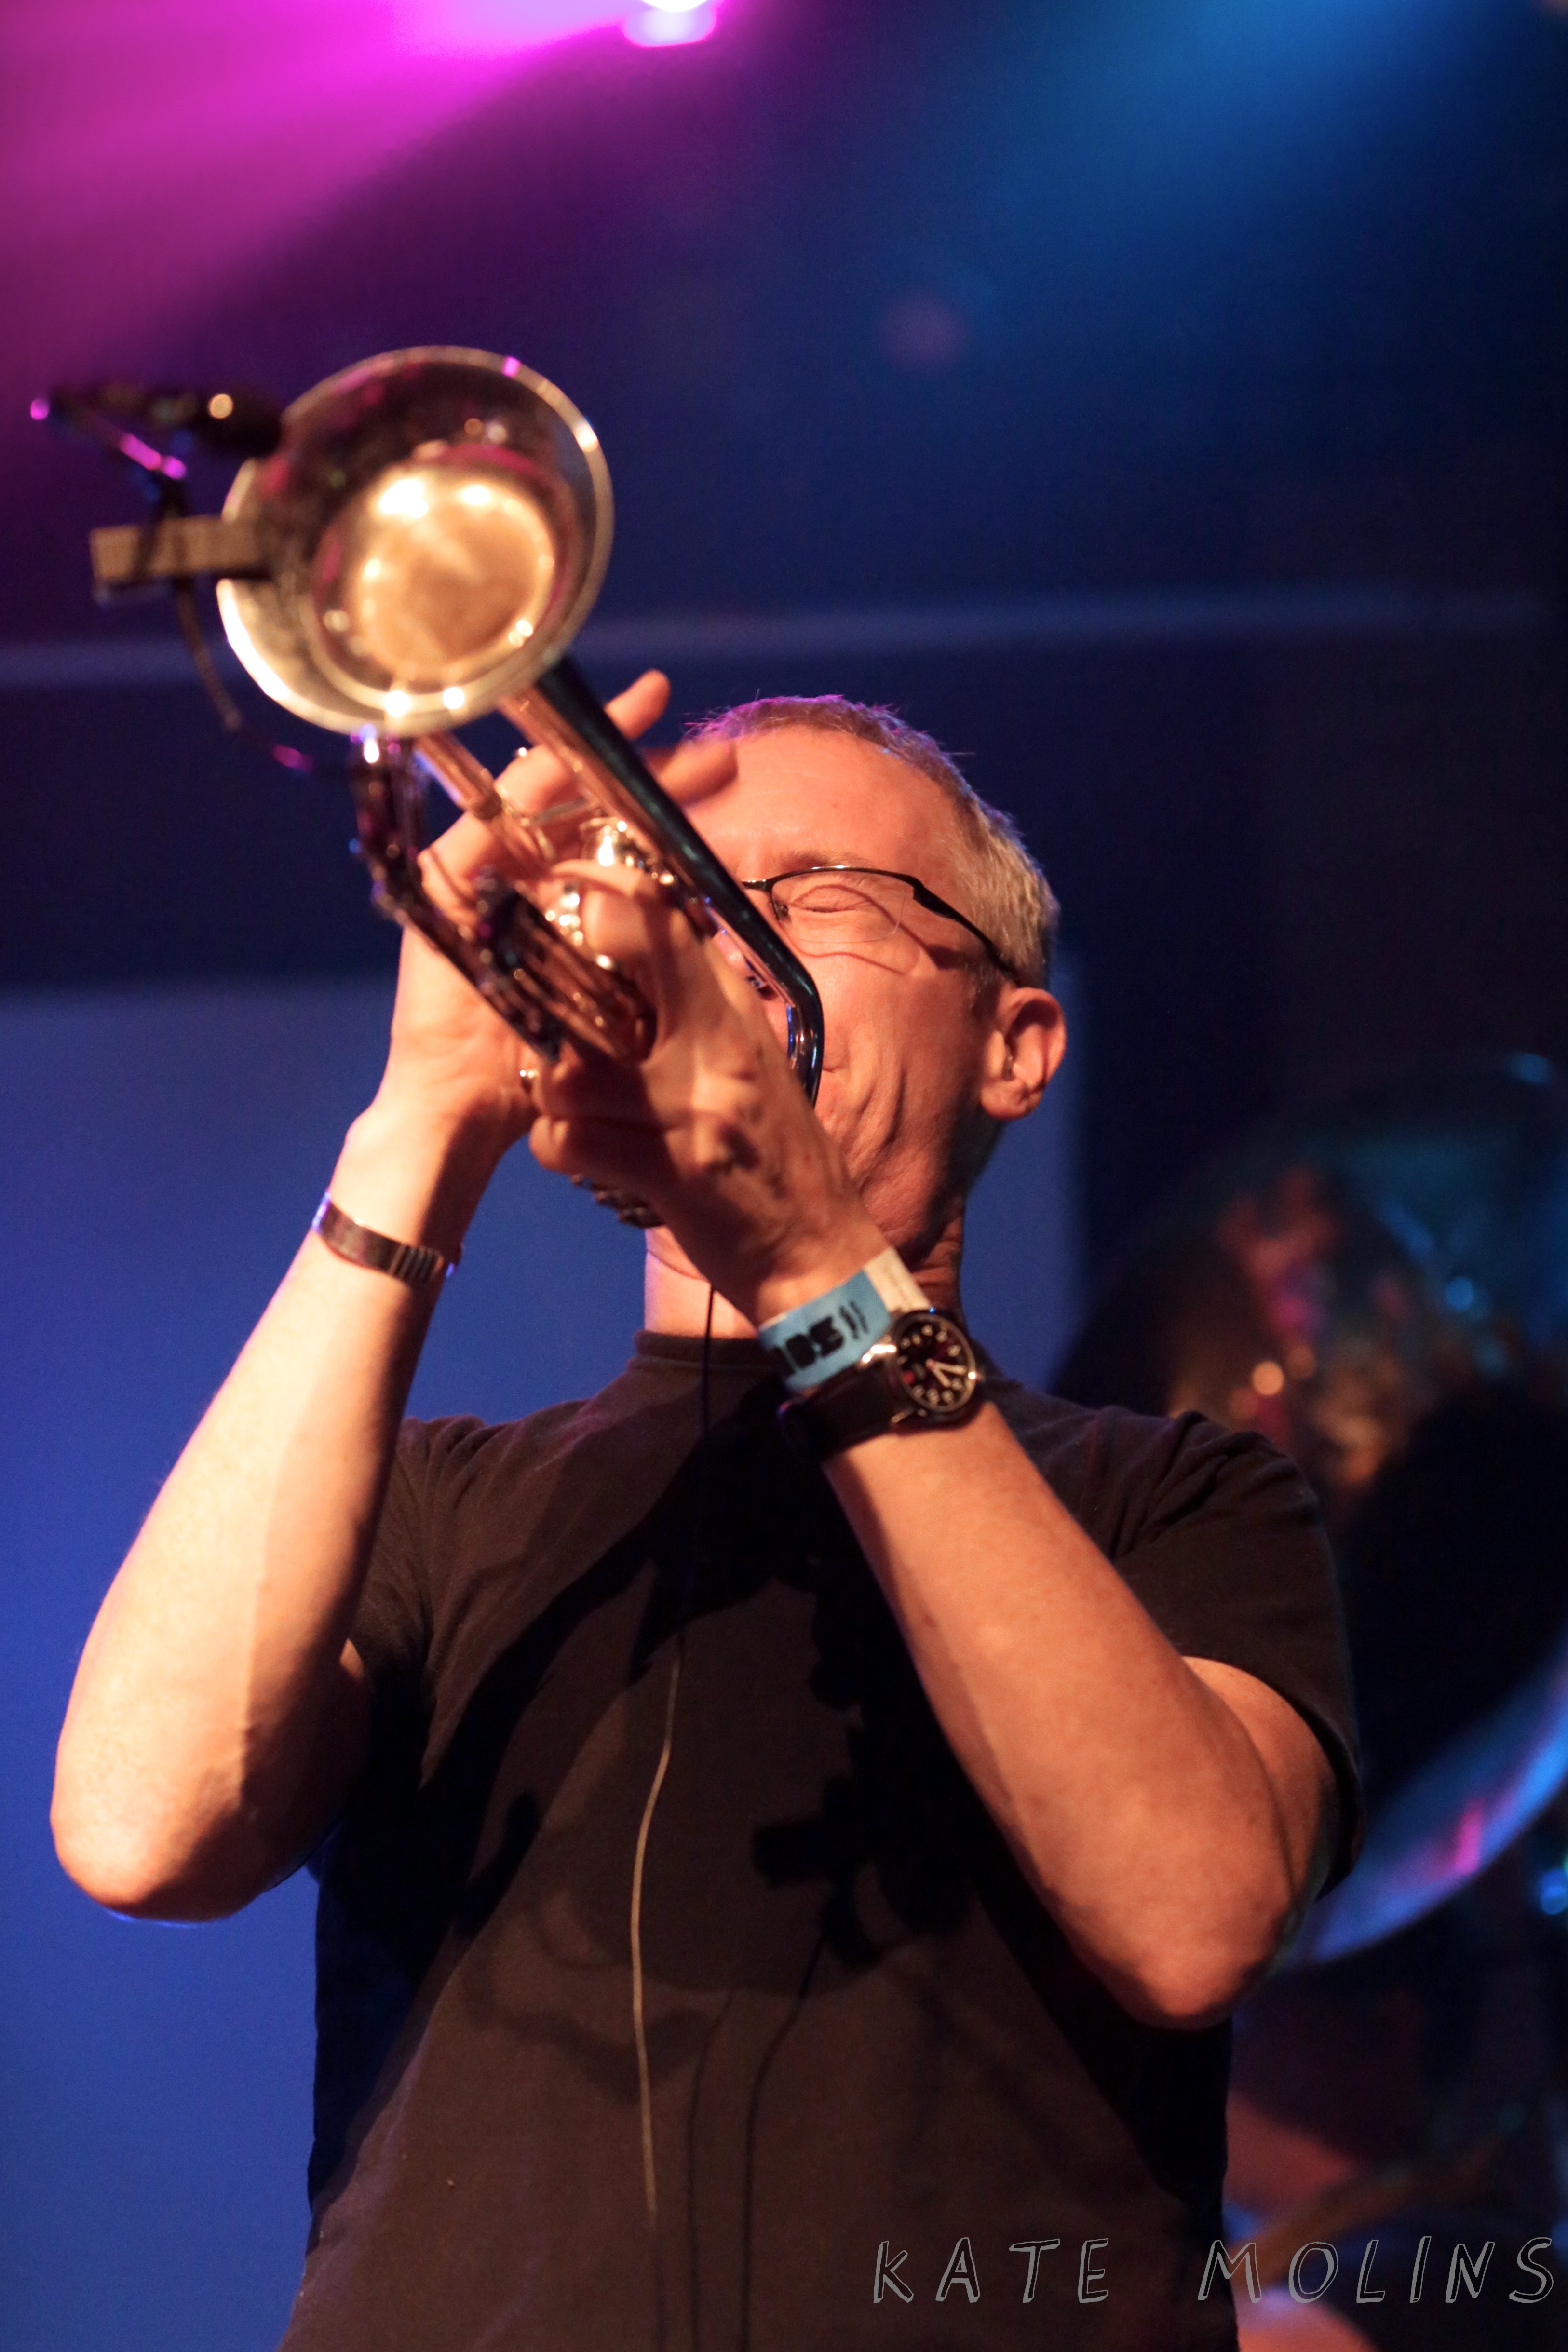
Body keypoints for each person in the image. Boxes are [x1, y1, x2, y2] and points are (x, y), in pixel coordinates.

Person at [52, 673, 1361, 2350]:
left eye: (809, 896)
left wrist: (806, 1251)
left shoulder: (1171, 1495)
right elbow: (140, 1828)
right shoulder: (438, 1506)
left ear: (1014, 1047)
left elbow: (1193, 1919)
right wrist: (423, 1116)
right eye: (676, 898)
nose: (718, 951)